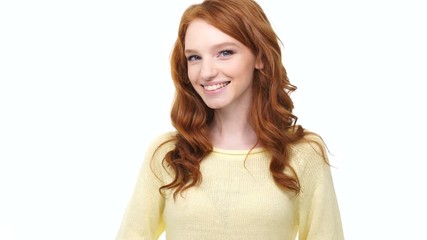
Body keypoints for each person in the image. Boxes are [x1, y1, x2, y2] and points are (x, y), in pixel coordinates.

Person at [116, 0, 344, 239]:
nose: (206, 72)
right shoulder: (169, 153)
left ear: (260, 57)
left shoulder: (303, 153)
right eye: (194, 57)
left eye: (224, 53)